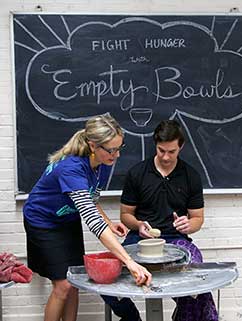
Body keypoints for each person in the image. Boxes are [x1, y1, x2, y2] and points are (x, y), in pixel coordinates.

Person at [23, 114, 152, 321]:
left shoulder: (98, 163)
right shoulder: (72, 168)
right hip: (43, 221)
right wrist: (130, 262)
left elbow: (90, 199)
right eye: (111, 150)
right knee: (62, 286)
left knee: (73, 281)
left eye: (119, 148)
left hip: (66, 220)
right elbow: (93, 222)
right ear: (93, 145)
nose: (117, 155)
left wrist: (109, 222)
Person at [103, 120, 218, 321]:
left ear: (180, 146)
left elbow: (198, 219)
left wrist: (188, 224)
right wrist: (138, 225)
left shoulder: (191, 176)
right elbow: (125, 215)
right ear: (155, 145)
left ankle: (183, 316)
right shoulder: (137, 173)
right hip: (139, 240)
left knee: (197, 285)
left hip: (176, 239)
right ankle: (131, 318)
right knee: (105, 277)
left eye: (171, 152)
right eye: (161, 150)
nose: (165, 157)